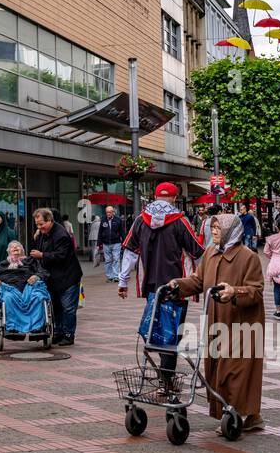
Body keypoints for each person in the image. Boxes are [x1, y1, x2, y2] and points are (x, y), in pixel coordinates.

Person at [169, 212, 266, 433]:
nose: (213, 232)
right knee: (217, 368)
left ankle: (233, 415)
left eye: (218, 229)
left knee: (233, 371)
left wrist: (235, 292)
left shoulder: (248, 257)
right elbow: (198, 280)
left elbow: (256, 291)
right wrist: (178, 285)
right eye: (212, 228)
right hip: (215, 322)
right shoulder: (211, 253)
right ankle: (250, 415)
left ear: (232, 232)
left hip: (242, 325)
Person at [118, 183, 205, 389]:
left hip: (152, 287)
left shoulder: (141, 220)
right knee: (173, 332)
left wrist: (123, 281)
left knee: (155, 327)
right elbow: (196, 251)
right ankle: (167, 377)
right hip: (177, 287)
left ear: (154, 196)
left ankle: (164, 375)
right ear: (174, 199)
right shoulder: (180, 221)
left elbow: (130, 252)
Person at [30, 208, 83, 346]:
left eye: (41, 224)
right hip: (53, 278)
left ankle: (68, 335)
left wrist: (42, 255)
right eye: (37, 224)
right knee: (56, 307)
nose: (39, 227)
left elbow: (61, 256)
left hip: (68, 277)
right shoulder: (43, 233)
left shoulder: (61, 235)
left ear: (50, 221)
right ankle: (58, 332)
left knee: (68, 308)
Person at [0, 240, 51, 334]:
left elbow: (43, 272)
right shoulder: (2, 265)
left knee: (38, 297)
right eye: (12, 247)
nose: (15, 248)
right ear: (8, 251)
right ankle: (13, 327)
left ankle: (37, 327)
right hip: (10, 289)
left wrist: (36, 276)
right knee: (8, 298)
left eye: (18, 246)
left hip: (30, 287)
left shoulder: (31, 262)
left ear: (22, 250)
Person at [96, 205, 127, 282]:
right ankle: (110, 277)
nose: (108, 214)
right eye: (107, 212)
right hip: (106, 243)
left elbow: (122, 232)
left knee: (116, 259)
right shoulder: (103, 220)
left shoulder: (118, 220)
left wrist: (124, 242)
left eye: (110, 212)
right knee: (108, 260)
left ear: (113, 212)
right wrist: (98, 243)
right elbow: (100, 232)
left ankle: (116, 276)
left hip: (116, 243)